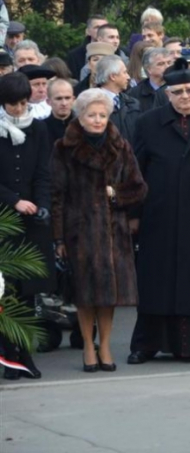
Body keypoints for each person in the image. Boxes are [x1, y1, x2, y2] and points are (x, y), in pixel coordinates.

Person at [128, 59, 190, 364]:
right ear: (167, 93)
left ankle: (188, 346)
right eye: (178, 91)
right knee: (155, 279)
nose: (185, 97)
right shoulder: (147, 123)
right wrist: (134, 213)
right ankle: (146, 345)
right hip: (159, 214)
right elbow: (135, 172)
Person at [50, 89, 147, 373]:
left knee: (109, 295)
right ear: (80, 117)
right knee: (84, 294)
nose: (97, 120)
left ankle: (105, 344)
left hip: (112, 231)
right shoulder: (63, 148)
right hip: (79, 231)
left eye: (102, 115)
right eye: (91, 115)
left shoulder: (121, 145)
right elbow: (56, 195)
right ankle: (88, 346)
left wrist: (115, 194)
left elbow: (139, 188)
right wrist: (58, 237)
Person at [0, 72, 56, 380]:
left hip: (33, 219)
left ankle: (25, 353)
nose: (19, 110)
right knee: (6, 291)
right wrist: (14, 201)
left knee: (29, 292)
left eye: (23, 103)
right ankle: (9, 355)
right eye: (13, 105)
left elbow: (43, 173)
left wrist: (43, 204)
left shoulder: (38, 128)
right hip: (5, 219)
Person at [94, 55, 142, 142]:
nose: (128, 77)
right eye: (124, 72)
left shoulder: (132, 103)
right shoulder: (92, 104)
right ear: (113, 76)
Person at [127, 47, 173, 113]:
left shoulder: (176, 88)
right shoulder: (134, 93)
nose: (167, 67)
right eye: (161, 64)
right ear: (149, 69)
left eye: (169, 63)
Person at [43, 79, 76, 148]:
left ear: (73, 100)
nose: (64, 103)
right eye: (59, 99)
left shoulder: (83, 126)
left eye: (67, 98)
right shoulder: (41, 129)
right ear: (48, 101)